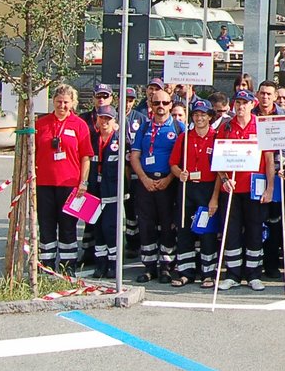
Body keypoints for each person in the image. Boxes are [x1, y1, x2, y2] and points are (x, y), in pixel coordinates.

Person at [210, 89, 275, 291]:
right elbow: (218, 159)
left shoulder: (261, 125)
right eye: (238, 102)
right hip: (231, 188)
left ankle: (254, 274)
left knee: (255, 230)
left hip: (255, 187)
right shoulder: (226, 126)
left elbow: (269, 159)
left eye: (244, 103)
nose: (240, 107)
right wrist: (224, 178)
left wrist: (270, 187)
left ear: (252, 104)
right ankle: (233, 274)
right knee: (231, 232)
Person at [129, 85, 185, 284]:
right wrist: (144, 178)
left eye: (164, 102)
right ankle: (149, 266)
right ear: (150, 105)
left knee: (168, 225)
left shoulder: (179, 128)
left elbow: (182, 159)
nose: (160, 106)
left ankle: (166, 266)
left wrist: (169, 178)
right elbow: (134, 156)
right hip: (146, 181)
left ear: (171, 104)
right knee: (146, 225)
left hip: (168, 182)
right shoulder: (144, 126)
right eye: (156, 103)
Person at [35, 84, 92, 274]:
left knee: (68, 227)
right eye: (59, 102)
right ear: (53, 101)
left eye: (66, 102)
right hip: (44, 183)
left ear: (73, 103)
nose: (62, 106)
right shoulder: (41, 124)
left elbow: (86, 156)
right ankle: (47, 267)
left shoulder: (79, 125)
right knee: (46, 226)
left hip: (69, 184)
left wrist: (83, 182)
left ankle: (68, 269)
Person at [174, 100, 219, 288]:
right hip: (187, 187)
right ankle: (185, 272)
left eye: (203, 114)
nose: (199, 118)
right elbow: (173, 164)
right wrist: (179, 173)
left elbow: (220, 171)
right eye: (196, 114)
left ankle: (208, 273)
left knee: (207, 230)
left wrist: (214, 197)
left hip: (207, 187)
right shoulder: (184, 137)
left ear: (210, 116)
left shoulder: (216, 138)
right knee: (184, 229)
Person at [85, 100, 122, 280]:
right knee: (97, 228)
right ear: (97, 119)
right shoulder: (92, 139)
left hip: (112, 191)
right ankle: (100, 263)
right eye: (102, 118)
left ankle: (114, 264)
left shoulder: (121, 141)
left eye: (108, 118)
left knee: (110, 228)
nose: (105, 122)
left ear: (114, 121)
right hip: (94, 190)